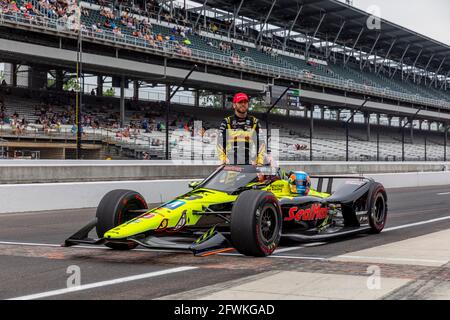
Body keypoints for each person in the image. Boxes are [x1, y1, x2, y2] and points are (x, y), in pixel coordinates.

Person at [217, 92, 266, 165]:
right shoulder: (227, 121)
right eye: (240, 102)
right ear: (234, 105)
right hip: (231, 162)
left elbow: (261, 143)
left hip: (248, 161)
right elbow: (220, 142)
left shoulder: (254, 122)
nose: (243, 104)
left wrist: (259, 161)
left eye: (245, 102)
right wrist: (223, 159)